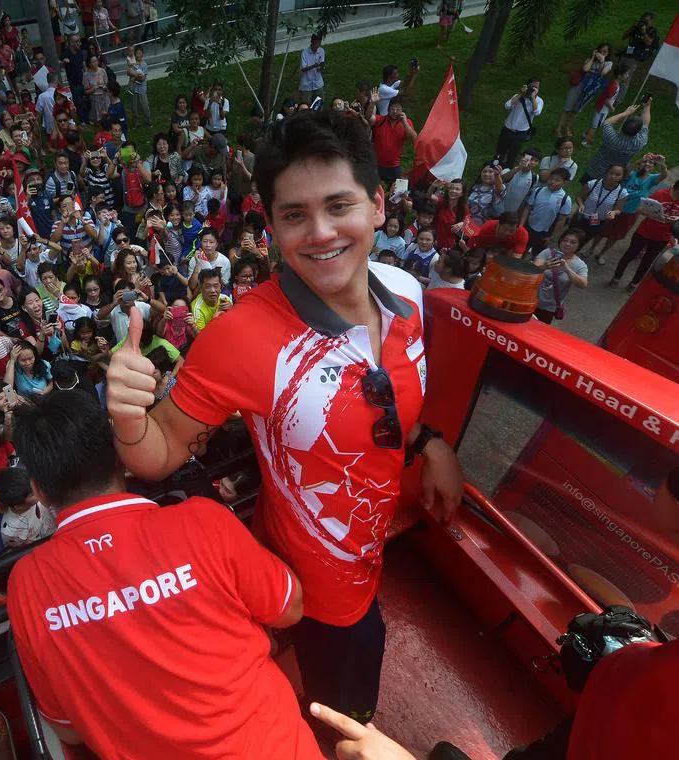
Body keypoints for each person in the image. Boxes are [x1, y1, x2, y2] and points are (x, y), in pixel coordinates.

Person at [105, 110, 463, 724]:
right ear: (271, 226)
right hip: (315, 589)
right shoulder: (243, 337)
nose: (320, 232)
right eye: (295, 215)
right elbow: (159, 449)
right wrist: (126, 411)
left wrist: (429, 442)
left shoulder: (405, 295)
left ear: (378, 205)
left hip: (375, 550)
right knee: (347, 710)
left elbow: (391, 399)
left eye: (338, 205)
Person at [6, 390, 319, 758]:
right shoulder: (200, 520)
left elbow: (67, 729)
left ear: (39, 491)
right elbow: (289, 606)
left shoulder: (25, 584)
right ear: (120, 457)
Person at [532, 228, 588, 324]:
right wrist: (545, 266)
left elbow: (583, 284)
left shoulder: (579, 264)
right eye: (565, 240)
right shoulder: (547, 253)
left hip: (549, 307)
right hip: (530, 298)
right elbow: (531, 270)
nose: (567, 244)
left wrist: (567, 269)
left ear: (579, 245)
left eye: (573, 242)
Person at [495, 78, 543, 168]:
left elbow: (537, 112)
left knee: (512, 156)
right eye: (532, 86)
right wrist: (522, 94)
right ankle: (495, 168)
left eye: (537, 87)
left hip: (521, 133)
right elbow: (507, 105)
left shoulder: (539, 101)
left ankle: (507, 172)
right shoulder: (518, 96)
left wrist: (532, 97)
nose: (534, 89)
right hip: (507, 129)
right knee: (499, 153)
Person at [297, 34, 326, 105]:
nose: (318, 45)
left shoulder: (321, 51)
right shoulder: (305, 52)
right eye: (316, 43)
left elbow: (321, 64)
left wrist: (322, 67)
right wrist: (313, 66)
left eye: (319, 43)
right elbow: (303, 68)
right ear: (312, 42)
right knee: (306, 106)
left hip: (318, 83)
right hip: (306, 85)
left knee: (318, 105)